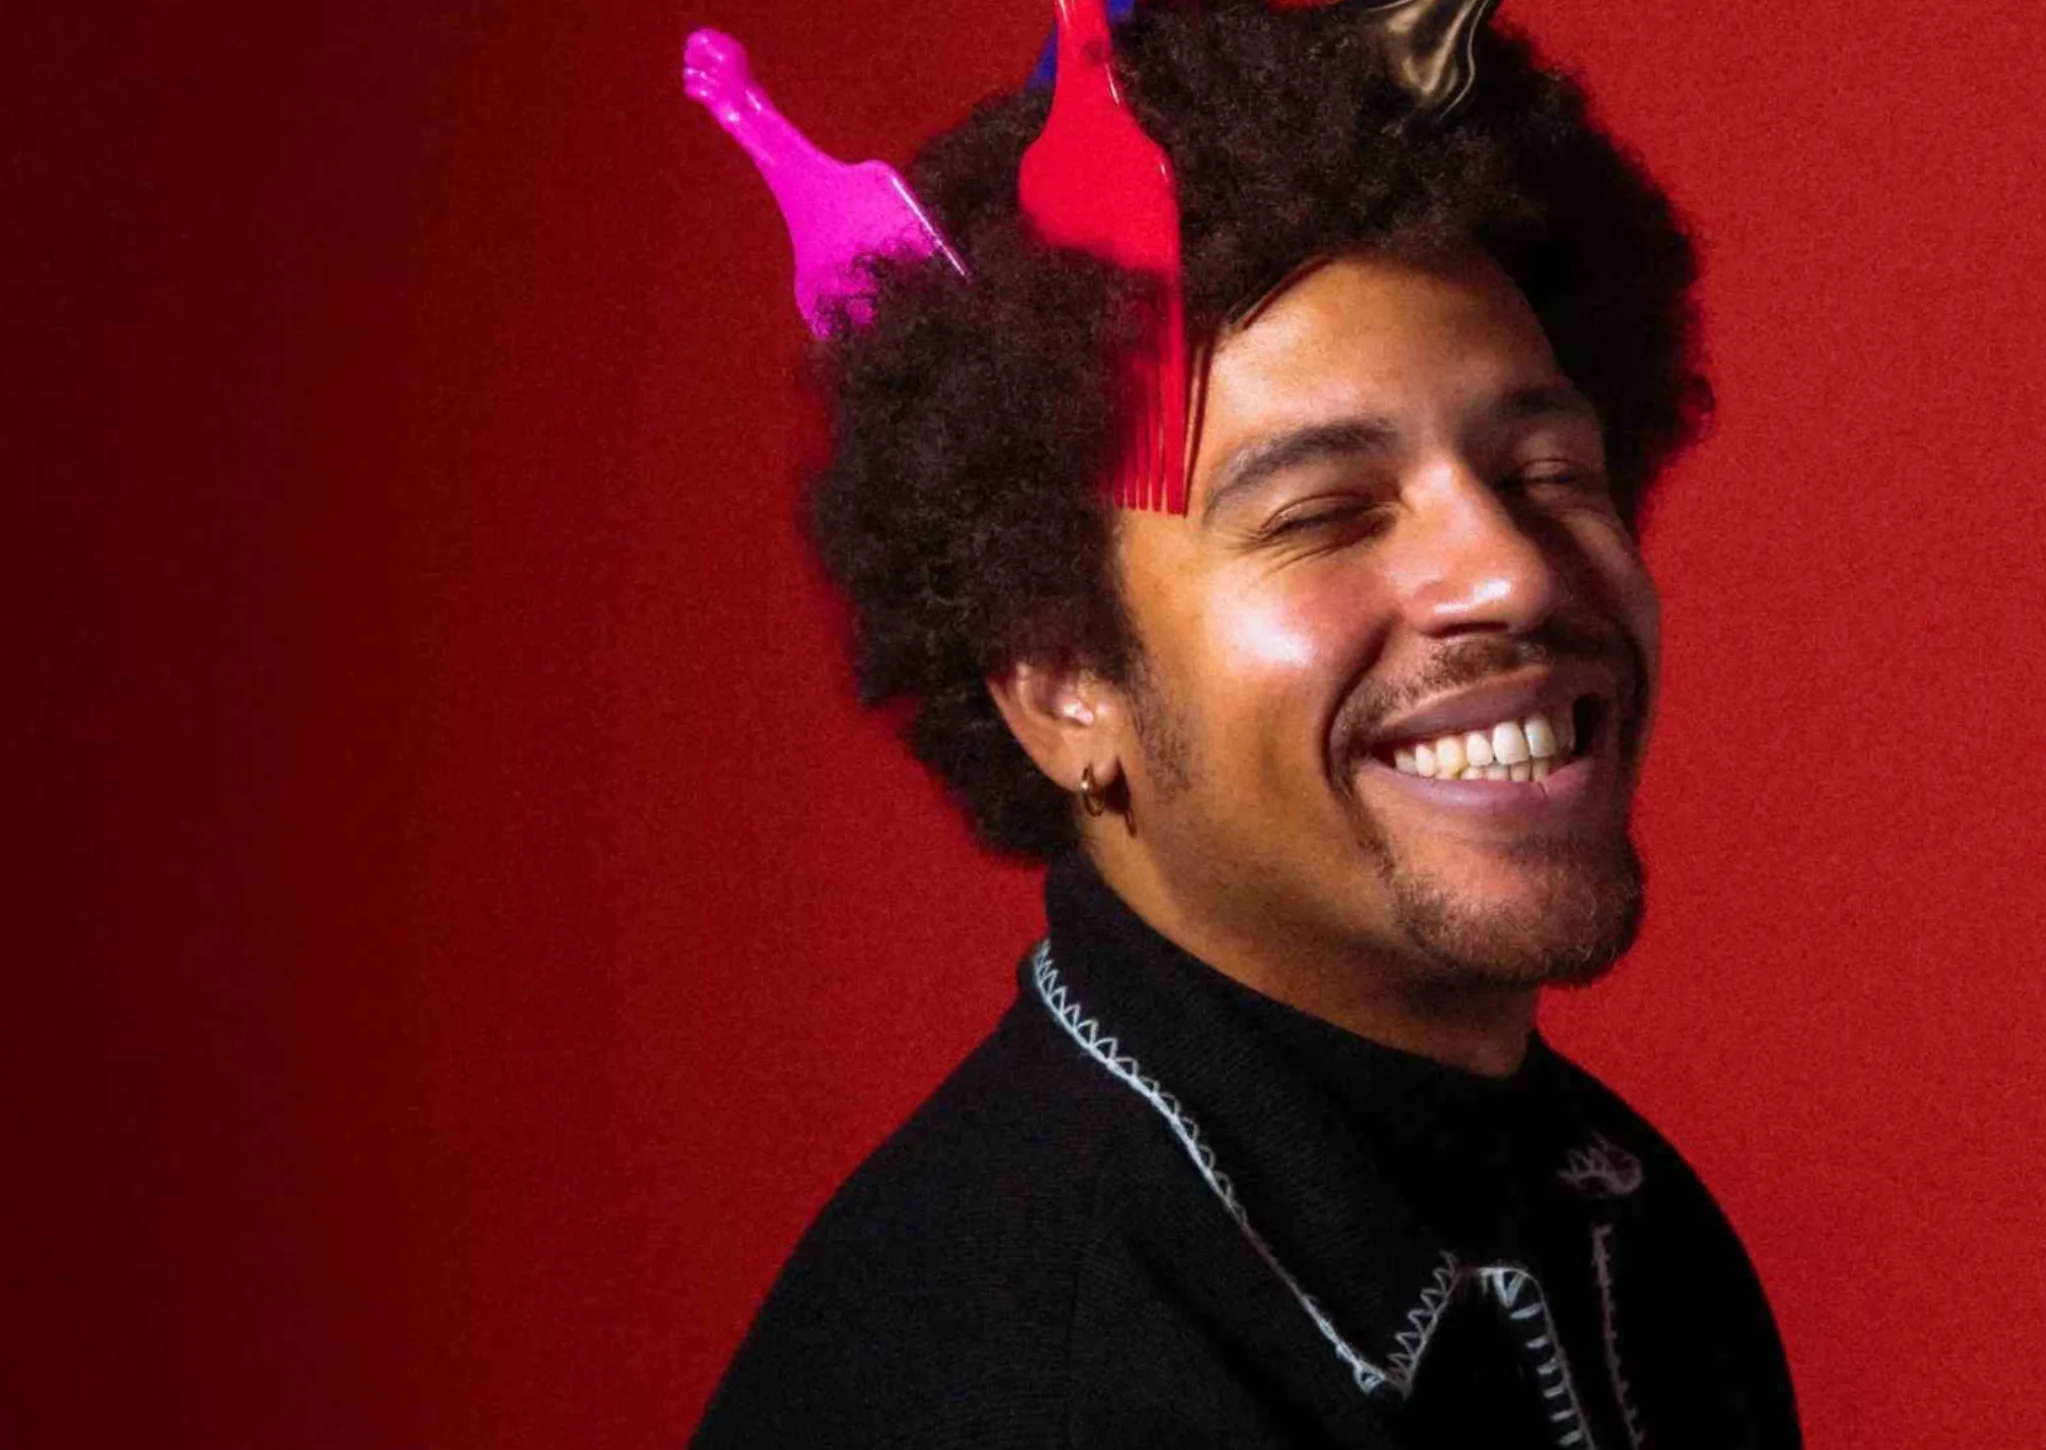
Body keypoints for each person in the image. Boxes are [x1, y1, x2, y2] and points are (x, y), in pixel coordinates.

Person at [691, 4, 1800, 1445]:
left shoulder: (1633, 1239)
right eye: (1324, 512)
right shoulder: (1031, 1385)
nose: (1515, 575)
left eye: (1546, 474)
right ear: (1062, 680)